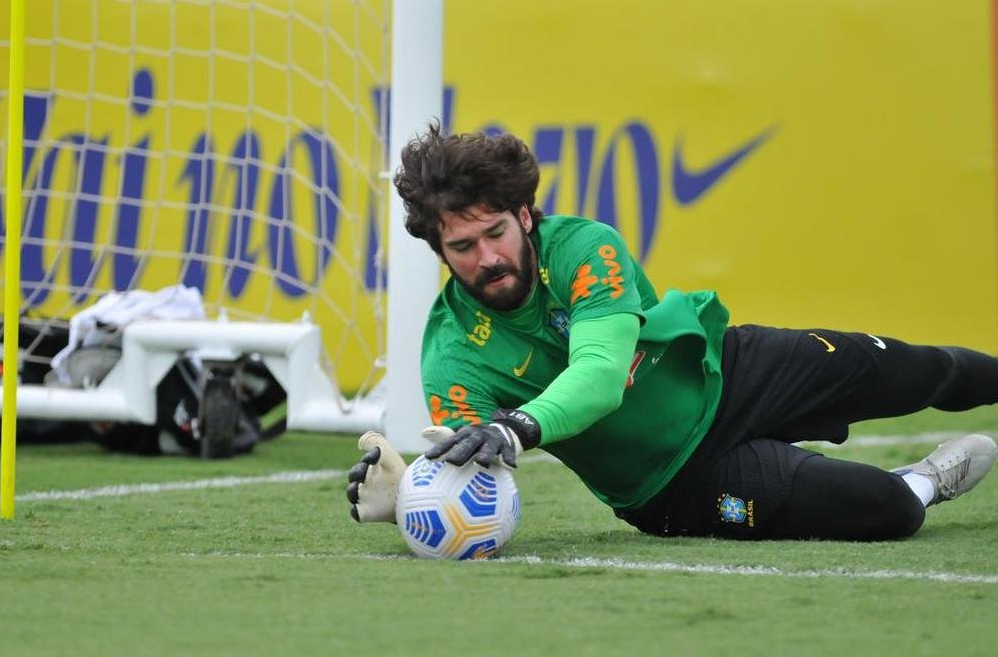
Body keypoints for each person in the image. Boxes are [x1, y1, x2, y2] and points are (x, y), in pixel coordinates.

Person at [346, 124, 997, 541]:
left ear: (524, 215)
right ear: (438, 249)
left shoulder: (582, 248)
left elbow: (600, 375)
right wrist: (409, 498)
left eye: (496, 233)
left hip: (729, 370)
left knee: (922, 370)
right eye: (462, 246)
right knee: (885, 508)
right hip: (673, 483)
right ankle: (925, 479)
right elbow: (471, 481)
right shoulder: (452, 357)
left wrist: (516, 426)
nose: (487, 258)